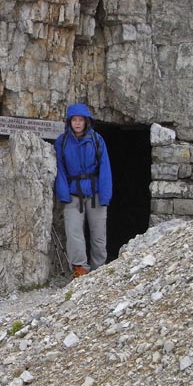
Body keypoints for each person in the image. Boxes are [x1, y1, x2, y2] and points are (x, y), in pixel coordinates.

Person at [54, 103, 112, 278]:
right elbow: (60, 169)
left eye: (81, 120)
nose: (77, 123)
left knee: (99, 234)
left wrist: (105, 195)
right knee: (74, 232)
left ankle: (99, 269)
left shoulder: (97, 140)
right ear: (69, 121)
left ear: (86, 122)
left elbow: (105, 167)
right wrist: (63, 194)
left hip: (95, 193)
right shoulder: (62, 141)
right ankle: (80, 269)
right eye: (74, 120)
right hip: (72, 194)